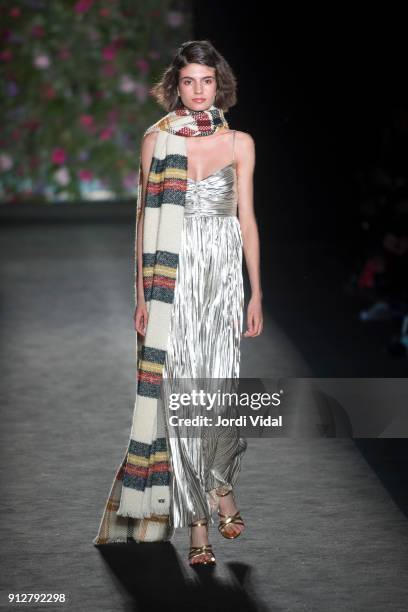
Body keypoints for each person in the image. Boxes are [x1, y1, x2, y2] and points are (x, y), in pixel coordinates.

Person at [92, 40, 263, 567]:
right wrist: (142, 296)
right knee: (183, 395)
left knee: (219, 390)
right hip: (174, 279)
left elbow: (247, 220)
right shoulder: (156, 141)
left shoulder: (240, 142)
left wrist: (258, 291)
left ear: (220, 84)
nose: (196, 90)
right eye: (188, 81)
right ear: (175, 84)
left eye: (206, 81)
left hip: (222, 279)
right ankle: (198, 524)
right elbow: (143, 225)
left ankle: (220, 486)